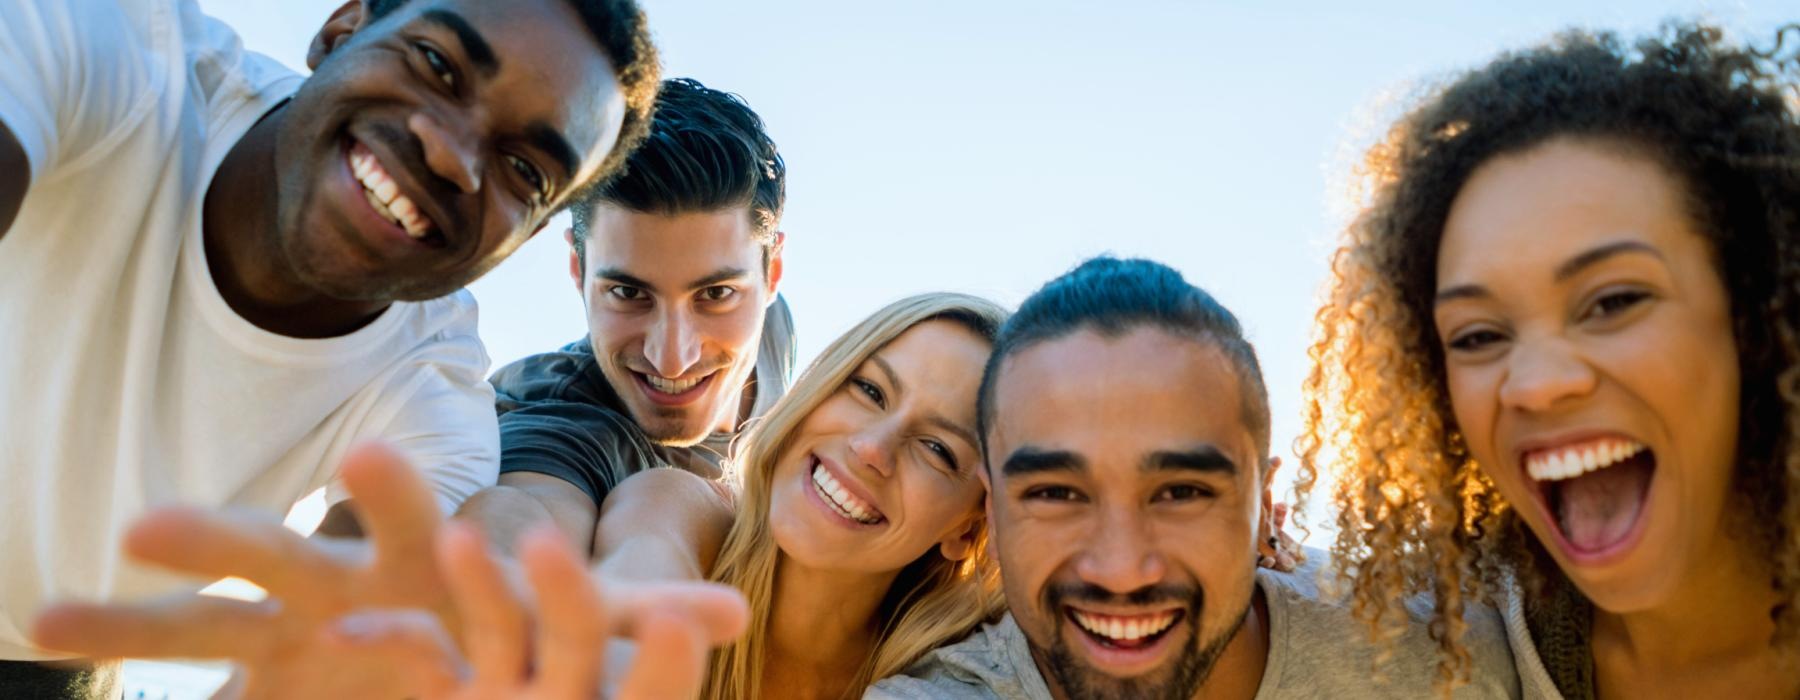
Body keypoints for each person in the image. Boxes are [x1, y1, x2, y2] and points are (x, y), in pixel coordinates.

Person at [0, 0, 658, 695]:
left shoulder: (433, 401)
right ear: (342, 29)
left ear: (523, 236)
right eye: (436, 63)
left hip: (54, 664)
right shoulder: (107, 45)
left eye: (525, 170)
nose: (449, 152)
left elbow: (329, 633)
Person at [1296, 23, 1800, 698]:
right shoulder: (1466, 640)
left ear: (1757, 317)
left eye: (1613, 300)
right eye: (1477, 336)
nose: (1534, 385)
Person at [871, 257, 1520, 699]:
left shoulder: (1448, 653)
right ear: (988, 515)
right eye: (1055, 493)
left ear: (1267, 509)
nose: (1121, 569)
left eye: (1183, 492)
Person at [589, 292, 1009, 699]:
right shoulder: (684, 510)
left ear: (967, 530)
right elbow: (643, 568)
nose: (872, 449)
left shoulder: (957, 676)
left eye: (938, 449)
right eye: (870, 391)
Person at [457, 76, 797, 554]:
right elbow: (528, 508)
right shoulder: (556, 419)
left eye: (716, 293)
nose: (672, 358)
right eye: (628, 292)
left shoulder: (774, 329)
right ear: (578, 269)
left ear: (772, 274)